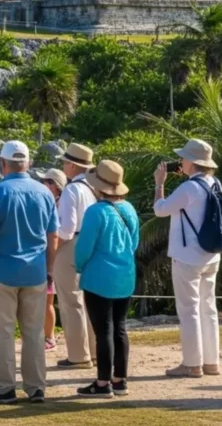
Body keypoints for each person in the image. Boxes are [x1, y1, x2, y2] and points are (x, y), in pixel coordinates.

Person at [0, 141, 59, 405]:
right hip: (35, 272)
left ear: (2, 163)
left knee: (1, 332)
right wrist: (50, 269)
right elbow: (53, 235)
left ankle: (4, 387)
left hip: (2, 271)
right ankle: (36, 388)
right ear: (28, 163)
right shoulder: (44, 192)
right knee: (34, 332)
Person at [153, 139, 222, 378]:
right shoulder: (215, 183)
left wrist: (159, 185)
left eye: (183, 158)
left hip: (187, 255)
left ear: (191, 162)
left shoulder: (189, 188)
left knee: (189, 309)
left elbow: (160, 209)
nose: (180, 161)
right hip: (212, 254)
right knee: (208, 307)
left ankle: (192, 363)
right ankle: (211, 362)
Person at [74, 160, 140, 398]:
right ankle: (120, 379)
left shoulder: (95, 212)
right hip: (126, 275)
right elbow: (134, 243)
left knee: (103, 330)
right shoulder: (129, 209)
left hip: (99, 277)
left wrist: (79, 266)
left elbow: (84, 248)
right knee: (120, 327)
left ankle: (103, 383)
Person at [52, 143, 98, 369]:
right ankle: (94, 349)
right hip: (89, 243)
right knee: (86, 298)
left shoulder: (72, 189)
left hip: (71, 243)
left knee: (70, 300)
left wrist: (52, 250)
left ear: (71, 165)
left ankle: (79, 355)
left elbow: (66, 228)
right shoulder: (92, 188)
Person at [35, 167, 67, 351]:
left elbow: (57, 234)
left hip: (51, 258)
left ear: (54, 185)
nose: (42, 184)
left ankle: (50, 337)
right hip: (47, 257)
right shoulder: (54, 202)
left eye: (46, 181)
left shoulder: (59, 204)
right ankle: (45, 336)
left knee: (47, 301)